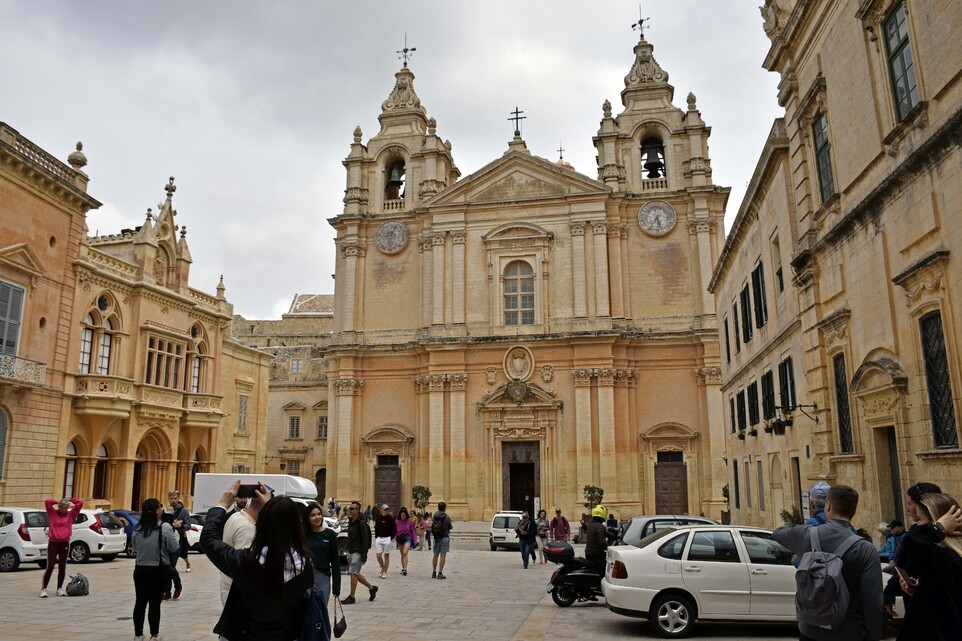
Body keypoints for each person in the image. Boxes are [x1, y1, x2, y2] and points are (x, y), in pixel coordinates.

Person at [201, 481, 314, 640]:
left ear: (261, 524)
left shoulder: (245, 562)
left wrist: (221, 505)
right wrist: (275, 510)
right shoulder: (305, 566)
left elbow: (208, 540)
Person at [773, 485, 883, 641]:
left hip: (810, 630)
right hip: (849, 631)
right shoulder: (865, 549)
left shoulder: (807, 535)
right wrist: (873, 635)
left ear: (828, 505)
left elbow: (778, 533)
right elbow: (873, 602)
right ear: (853, 510)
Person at [884, 482, 942, 618]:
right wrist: (890, 592)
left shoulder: (921, 537)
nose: (908, 509)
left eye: (910, 504)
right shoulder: (914, 535)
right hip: (916, 603)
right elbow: (902, 567)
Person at [131, 498, 180, 641]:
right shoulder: (163, 527)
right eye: (160, 506)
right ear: (157, 510)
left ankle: (138, 634)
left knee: (140, 602)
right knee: (154, 603)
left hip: (140, 568)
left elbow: (134, 548)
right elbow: (174, 547)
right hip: (157, 569)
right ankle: (154, 635)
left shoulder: (137, 528)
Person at [40, 497, 82, 597]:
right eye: (62, 507)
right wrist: (58, 501)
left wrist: (70, 499)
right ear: (59, 507)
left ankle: (59, 588)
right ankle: (44, 589)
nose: (64, 510)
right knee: (50, 566)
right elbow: (47, 502)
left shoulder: (71, 514)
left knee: (62, 566)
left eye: (66, 508)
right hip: (53, 542)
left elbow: (80, 503)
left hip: (64, 543)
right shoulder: (53, 513)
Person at [219, 494, 257, 606]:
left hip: (228, 583)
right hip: (237, 589)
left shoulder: (236, 517)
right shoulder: (246, 527)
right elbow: (243, 564)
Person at [303, 501, 341, 609]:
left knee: (320, 611)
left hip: (322, 577)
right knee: (306, 611)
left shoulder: (330, 535)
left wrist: (336, 586)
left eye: (319, 514)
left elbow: (335, 562)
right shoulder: (302, 535)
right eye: (313, 515)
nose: (317, 517)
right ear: (307, 518)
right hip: (305, 577)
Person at [343, 500, 378, 604]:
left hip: (357, 552)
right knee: (354, 573)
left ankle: (352, 596)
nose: (350, 510)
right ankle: (372, 588)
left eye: (352, 509)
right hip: (350, 551)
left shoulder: (361, 523)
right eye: (350, 508)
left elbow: (365, 539)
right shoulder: (351, 521)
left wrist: (364, 555)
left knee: (353, 573)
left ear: (357, 510)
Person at [161, 489, 190, 600]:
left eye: (175, 498)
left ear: (178, 499)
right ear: (168, 499)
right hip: (166, 541)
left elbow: (188, 525)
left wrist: (180, 526)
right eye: (171, 498)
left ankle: (178, 586)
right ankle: (167, 591)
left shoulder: (183, 512)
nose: (173, 500)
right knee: (166, 566)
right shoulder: (166, 510)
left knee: (171, 566)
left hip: (177, 542)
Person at [584, 505, 608, 575]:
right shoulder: (601, 527)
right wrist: (609, 547)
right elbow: (602, 543)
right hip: (596, 555)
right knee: (606, 573)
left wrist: (614, 536)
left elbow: (603, 533)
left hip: (588, 554)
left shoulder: (590, 525)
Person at [374, 503, 397, 579]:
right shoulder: (378, 519)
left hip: (387, 538)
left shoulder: (391, 519)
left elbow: (394, 529)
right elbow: (376, 528)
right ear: (381, 510)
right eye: (384, 509)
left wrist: (391, 538)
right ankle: (383, 567)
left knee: (386, 555)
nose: (386, 511)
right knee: (378, 556)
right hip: (379, 538)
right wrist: (377, 537)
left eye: (387, 509)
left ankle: (384, 571)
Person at [431, 501, 453, 579]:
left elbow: (432, 525)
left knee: (435, 555)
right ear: (444, 508)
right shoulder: (447, 517)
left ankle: (434, 571)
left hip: (436, 538)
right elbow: (450, 527)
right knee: (443, 555)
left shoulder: (434, 516)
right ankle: (440, 572)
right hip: (444, 537)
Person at [394, 507, 418, 574]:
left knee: (405, 553)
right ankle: (403, 568)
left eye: (404, 515)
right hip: (399, 538)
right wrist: (394, 538)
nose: (403, 517)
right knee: (402, 554)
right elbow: (395, 531)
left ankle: (405, 569)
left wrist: (415, 540)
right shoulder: (397, 521)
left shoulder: (409, 521)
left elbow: (413, 531)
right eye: (402, 515)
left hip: (407, 537)